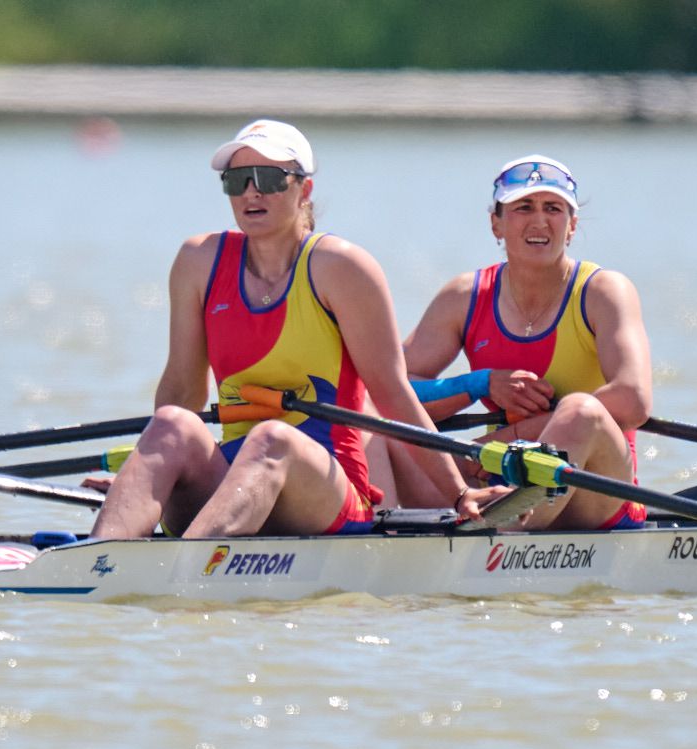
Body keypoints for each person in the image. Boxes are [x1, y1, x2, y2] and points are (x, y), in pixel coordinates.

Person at [88, 120, 503, 539]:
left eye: (269, 179)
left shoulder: (342, 268)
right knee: (173, 423)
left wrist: (458, 493)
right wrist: (147, 478)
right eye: (237, 180)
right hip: (230, 480)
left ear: (304, 190)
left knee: (273, 438)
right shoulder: (198, 261)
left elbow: (393, 395)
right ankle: (101, 557)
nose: (252, 192)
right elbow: (180, 391)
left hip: (327, 490)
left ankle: (188, 566)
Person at [384, 154, 653, 530]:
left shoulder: (604, 291)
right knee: (382, 433)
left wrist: (508, 437)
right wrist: (478, 384)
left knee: (581, 411)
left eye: (553, 208)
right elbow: (391, 390)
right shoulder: (465, 296)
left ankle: (495, 535)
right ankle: (368, 531)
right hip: (495, 473)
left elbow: (633, 400)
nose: (539, 220)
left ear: (572, 225)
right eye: (523, 207)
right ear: (497, 223)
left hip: (593, 491)